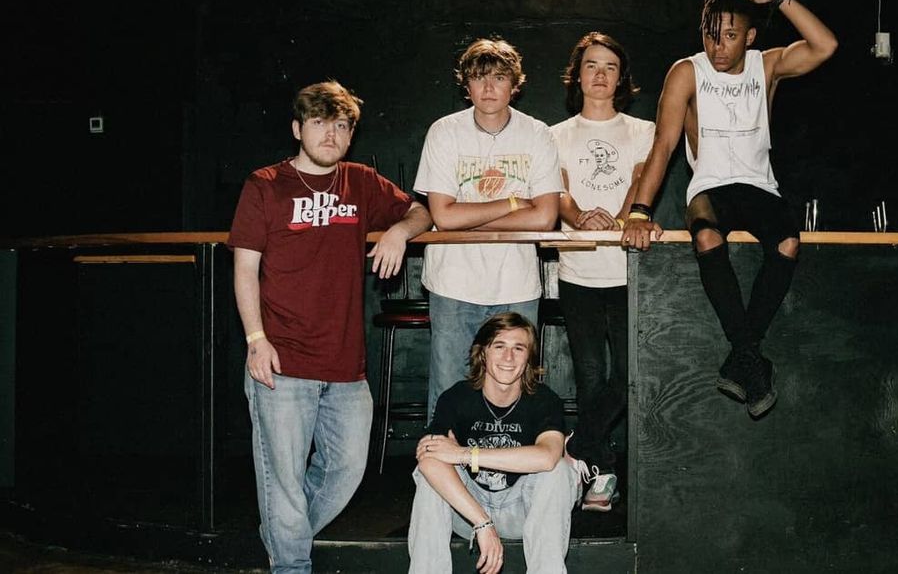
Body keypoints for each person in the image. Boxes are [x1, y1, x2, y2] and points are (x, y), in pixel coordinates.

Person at [228, 80, 432, 573]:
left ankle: (283, 536)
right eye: (319, 122)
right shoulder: (265, 185)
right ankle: (290, 564)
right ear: (297, 129)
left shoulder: (360, 182)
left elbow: (421, 211)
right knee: (282, 481)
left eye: (341, 125)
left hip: (345, 365)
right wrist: (256, 340)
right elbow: (244, 269)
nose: (331, 134)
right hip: (281, 360)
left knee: (345, 470)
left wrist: (399, 232)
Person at [621, 0, 838, 419]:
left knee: (788, 241)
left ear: (751, 36)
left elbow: (826, 45)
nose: (718, 47)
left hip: (759, 186)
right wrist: (639, 210)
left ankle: (744, 354)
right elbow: (663, 145)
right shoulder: (687, 71)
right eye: (710, 35)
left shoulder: (768, 65)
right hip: (711, 187)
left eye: (730, 36)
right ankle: (750, 357)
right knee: (705, 235)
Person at [414, 37, 563, 422]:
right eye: (479, 78)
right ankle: (439, 463)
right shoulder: (444, 131)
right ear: (466, 85)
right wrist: (513, 203)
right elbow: (443, 217)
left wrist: (467, 213)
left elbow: (544, 217)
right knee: (449, 393)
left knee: (515, 393)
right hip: (453, 282)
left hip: (515, 283)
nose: (489, 87)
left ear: (515, 84)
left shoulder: (537, 133)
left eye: (499, 77)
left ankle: (514, 462)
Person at [548, 32, 654, 511]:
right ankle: (603, 473)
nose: (600, 74)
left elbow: (640, 182)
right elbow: (559, 192)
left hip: (630, 272)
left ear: (620, 77)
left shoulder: (642, 130)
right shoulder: (555, 134)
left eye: (610, 66)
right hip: (579, 274)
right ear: (578, 75)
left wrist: (621, 217)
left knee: (630, 373)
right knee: (590, 377)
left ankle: (579, 442)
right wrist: (580, 218)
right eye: (591, 65)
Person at [407, 312, 579, 574]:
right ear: (483, 353)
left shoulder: (544, 400)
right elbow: (428, 459)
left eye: (518, 348)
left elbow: (547, 456)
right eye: (499, 346)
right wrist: (482, 523)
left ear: (529, 357)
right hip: (467, 512)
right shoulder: (457, 397)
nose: (508, 358)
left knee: (558, 471)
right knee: (430, 475)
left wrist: (465, 454)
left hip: (523, 511)